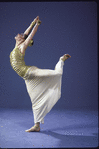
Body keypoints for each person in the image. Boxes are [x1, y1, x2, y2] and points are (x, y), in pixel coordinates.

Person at [10, 16, 71, 132]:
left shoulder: (22, 46)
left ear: (22, 40)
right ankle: (37, 126)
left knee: (57, 74)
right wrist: (32, 22)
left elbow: (30, 35)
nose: (19, 34)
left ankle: (61, 60)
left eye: (21, 35)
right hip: (27, 78)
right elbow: (26, 33)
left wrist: (37, 25)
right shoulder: (17, 45)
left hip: (31, 72)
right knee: (35, 100)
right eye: (21, 34)